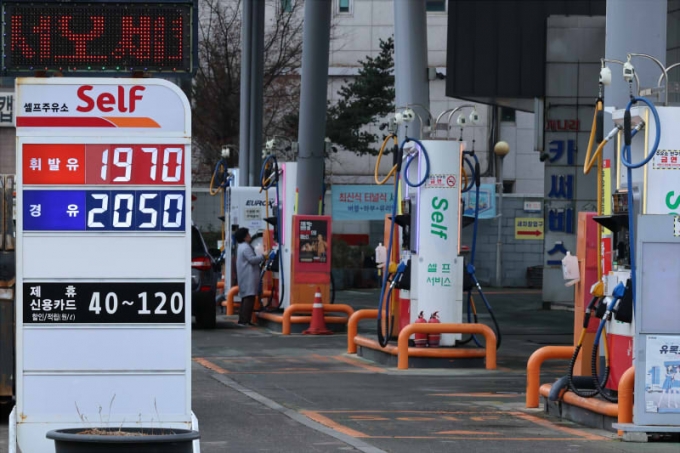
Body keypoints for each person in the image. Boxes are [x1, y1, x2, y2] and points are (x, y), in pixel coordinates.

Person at [234, 227, 264, 326]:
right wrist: (263, 256)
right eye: (248, 234)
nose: (250, 236)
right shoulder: (246, 247)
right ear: (244, 237)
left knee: (246, 297)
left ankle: (243, 319)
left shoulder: (241, 246)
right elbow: (252, 260)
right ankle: (244, 320)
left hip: (245, 275)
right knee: (249, 298)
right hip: (249, 276)